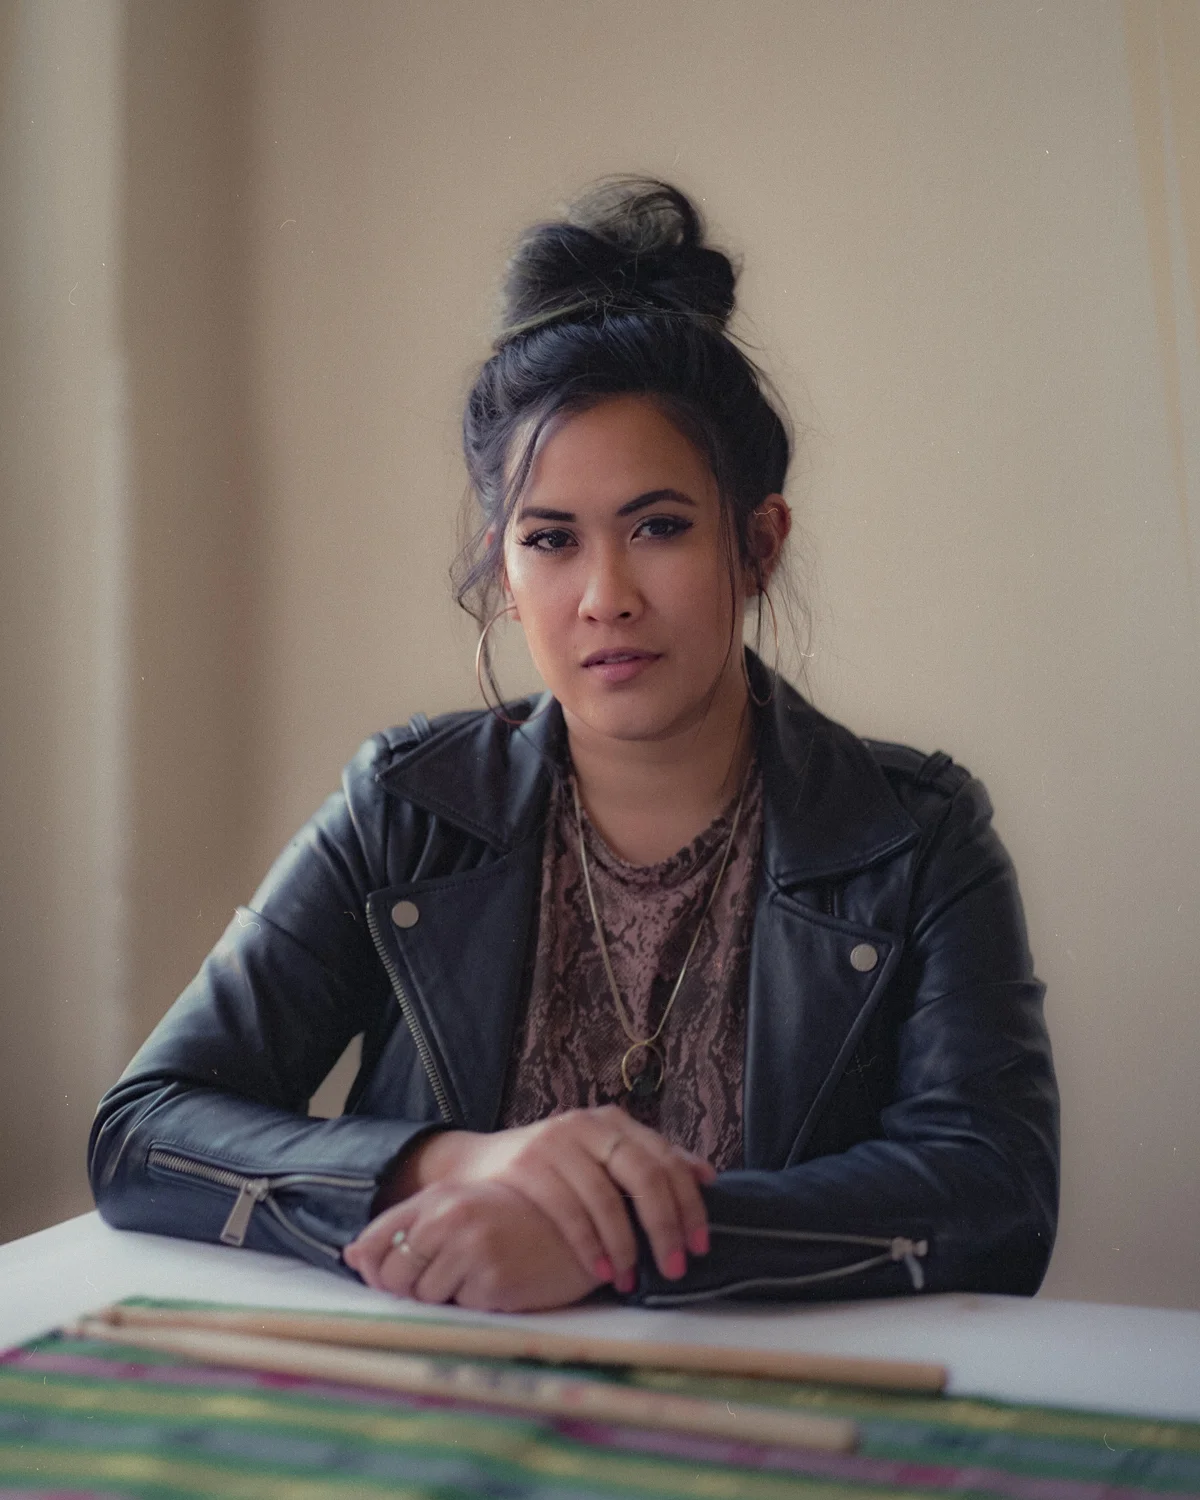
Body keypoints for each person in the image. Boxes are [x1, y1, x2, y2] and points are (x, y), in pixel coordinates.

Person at [88, 179, 1059, 1313]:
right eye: (550, 540)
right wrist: (456, 1166)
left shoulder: (916, 835)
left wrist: (620, 1247)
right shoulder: (404, 807)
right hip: (435, 1394)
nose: (605, 596)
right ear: (504, 572)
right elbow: (143, 1130)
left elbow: (996, 1197)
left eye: (659, 527)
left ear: (760, 544)